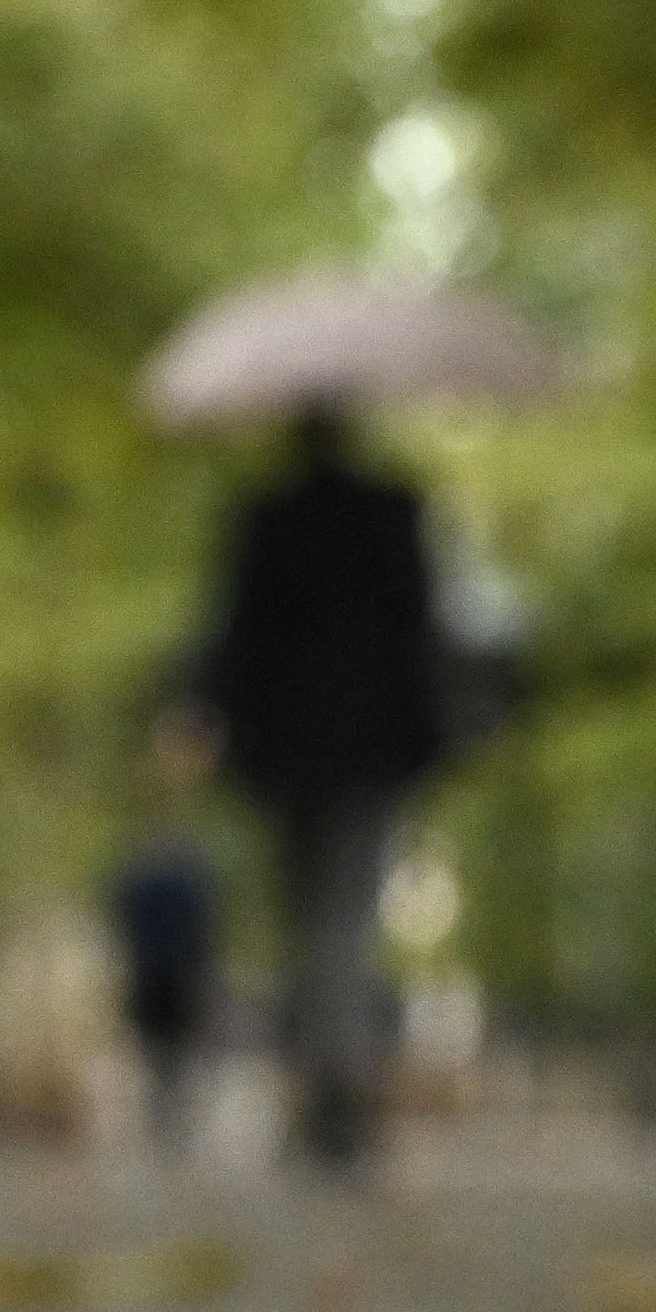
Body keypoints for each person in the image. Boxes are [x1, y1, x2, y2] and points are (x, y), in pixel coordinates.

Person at [194, 401, 448, 1171]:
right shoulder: (394, 512)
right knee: (345, 915)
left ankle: (326, 1084)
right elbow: (423, 628)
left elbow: (233, 634)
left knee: (312, 917)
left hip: (287, 753)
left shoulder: (264, 516)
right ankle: (337, 1083)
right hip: (372, 747)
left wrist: (213, 720)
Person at [107, 703, 224, 1157]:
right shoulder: (187, 871)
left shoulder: (151, 871)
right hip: (168, 974)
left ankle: (166, 1112)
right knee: (168, 1050)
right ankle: (168, 1112)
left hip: (160, 974)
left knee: (164, 1051)